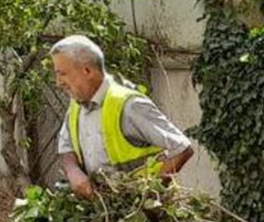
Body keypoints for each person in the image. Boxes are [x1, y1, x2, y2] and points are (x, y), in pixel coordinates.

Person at [49, 34, 194, 198]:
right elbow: (66, 148)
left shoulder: (129, 105)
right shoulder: (76, 105)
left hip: (140, 219)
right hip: (100, 214)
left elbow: (182, 148)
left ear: (87, 71)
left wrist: (142, 197)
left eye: (62, 74)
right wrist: (74, 172)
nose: (58, 82)